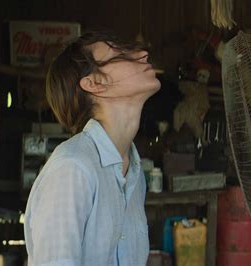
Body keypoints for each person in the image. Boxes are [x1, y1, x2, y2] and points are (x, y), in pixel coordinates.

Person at [24, 32, 161, 266]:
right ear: (94, 83)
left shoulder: (134, 175)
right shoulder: (72, 168)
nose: (143, 54)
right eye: (120, 55)